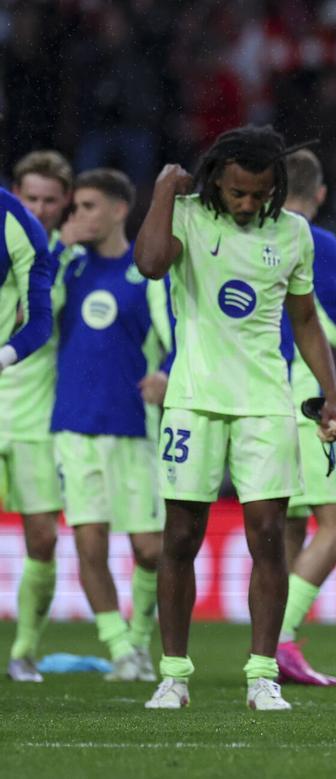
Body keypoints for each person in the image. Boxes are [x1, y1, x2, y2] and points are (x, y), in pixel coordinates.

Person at [134, 125, 336, 712]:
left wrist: (331, 395)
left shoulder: (294, 232)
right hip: (194, 398)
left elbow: (305, 319)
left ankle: (261, 676)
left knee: (269, 538)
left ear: (276, 185)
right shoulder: (186, 215)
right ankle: (174, 674)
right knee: (180, 537)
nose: (249, 203)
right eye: (237, 193)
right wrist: (160, 193)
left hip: (264, 402)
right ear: (216, 183)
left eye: (260, 193)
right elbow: (151, 264)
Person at [50, 169, 171, 682]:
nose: (78, 217)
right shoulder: (68, 269)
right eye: (74, 208)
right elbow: (32, 314)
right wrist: (57, 250)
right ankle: (120, 648)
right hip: (73, 425)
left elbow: (176, 337)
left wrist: (166, 372)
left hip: (132, 426)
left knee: (150, 549)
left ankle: (140, 639)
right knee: (90, 545)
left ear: (121, 209)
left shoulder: (145, 272)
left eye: (88, 207)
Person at [276, 148, 336, 686]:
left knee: (291, 530)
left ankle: (275, 648)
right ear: (319, 194)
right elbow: (331, 330)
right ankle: (278, 639)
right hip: (309, 403)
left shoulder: (260, 235)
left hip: (265, 400)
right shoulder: (317, 241)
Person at [4, 151, 79, 682]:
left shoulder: (74, 260)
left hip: (35, 415)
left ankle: (24, 650)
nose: (40, 208)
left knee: (44, 539)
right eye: (31, 198)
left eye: (51, 199)